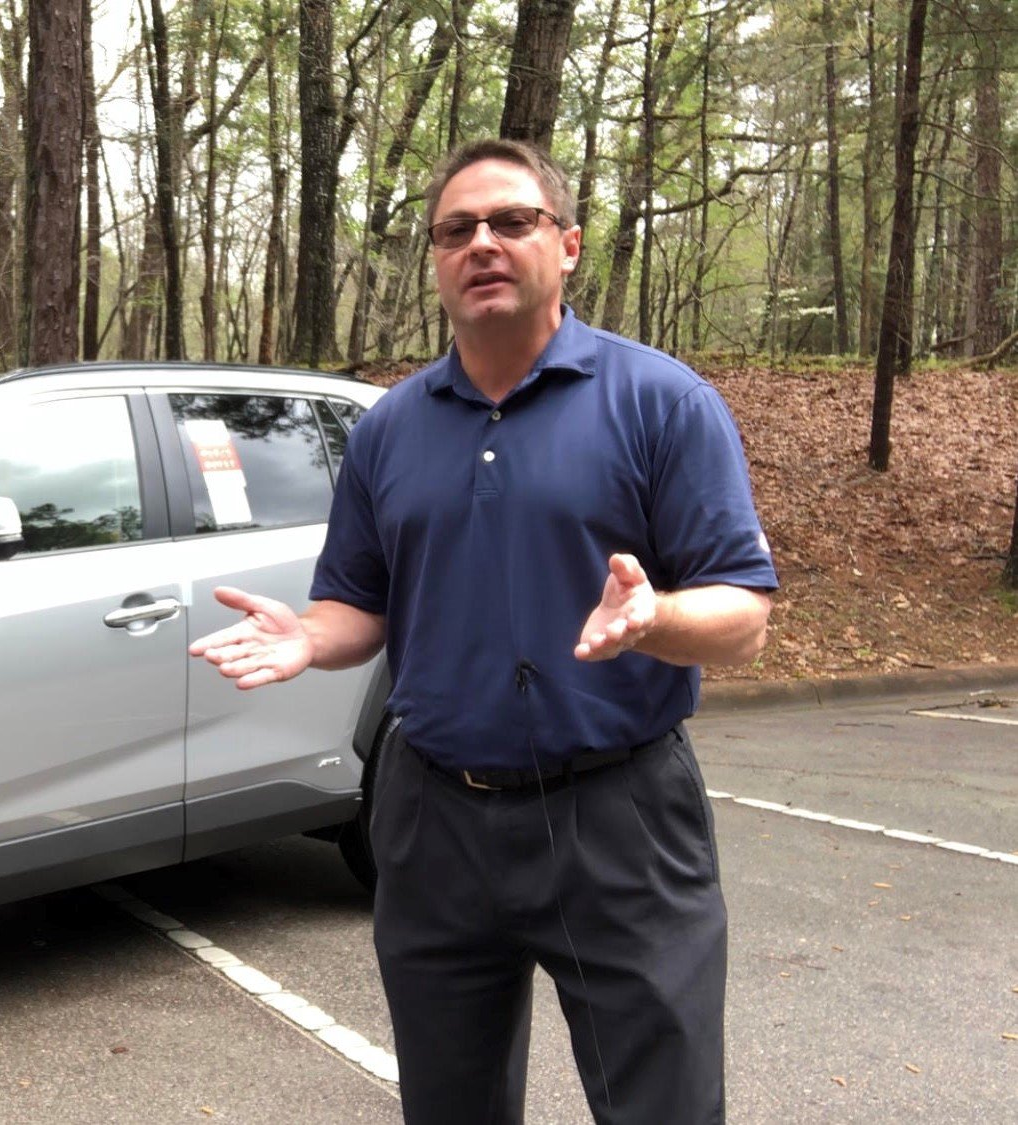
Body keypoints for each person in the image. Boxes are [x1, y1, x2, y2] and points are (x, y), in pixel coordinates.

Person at [190, 138, 777, 1124]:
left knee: (661, 1105)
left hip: (617, 815)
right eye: (455, 230)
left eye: (511, 222)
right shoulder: (389, 429)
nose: (482, 245)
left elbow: (742, 616)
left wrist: (656, 617)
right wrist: (308, 640)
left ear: (568, 245)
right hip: (432, 819)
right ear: (434, 261)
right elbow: (356, 605)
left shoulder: (660, 403)